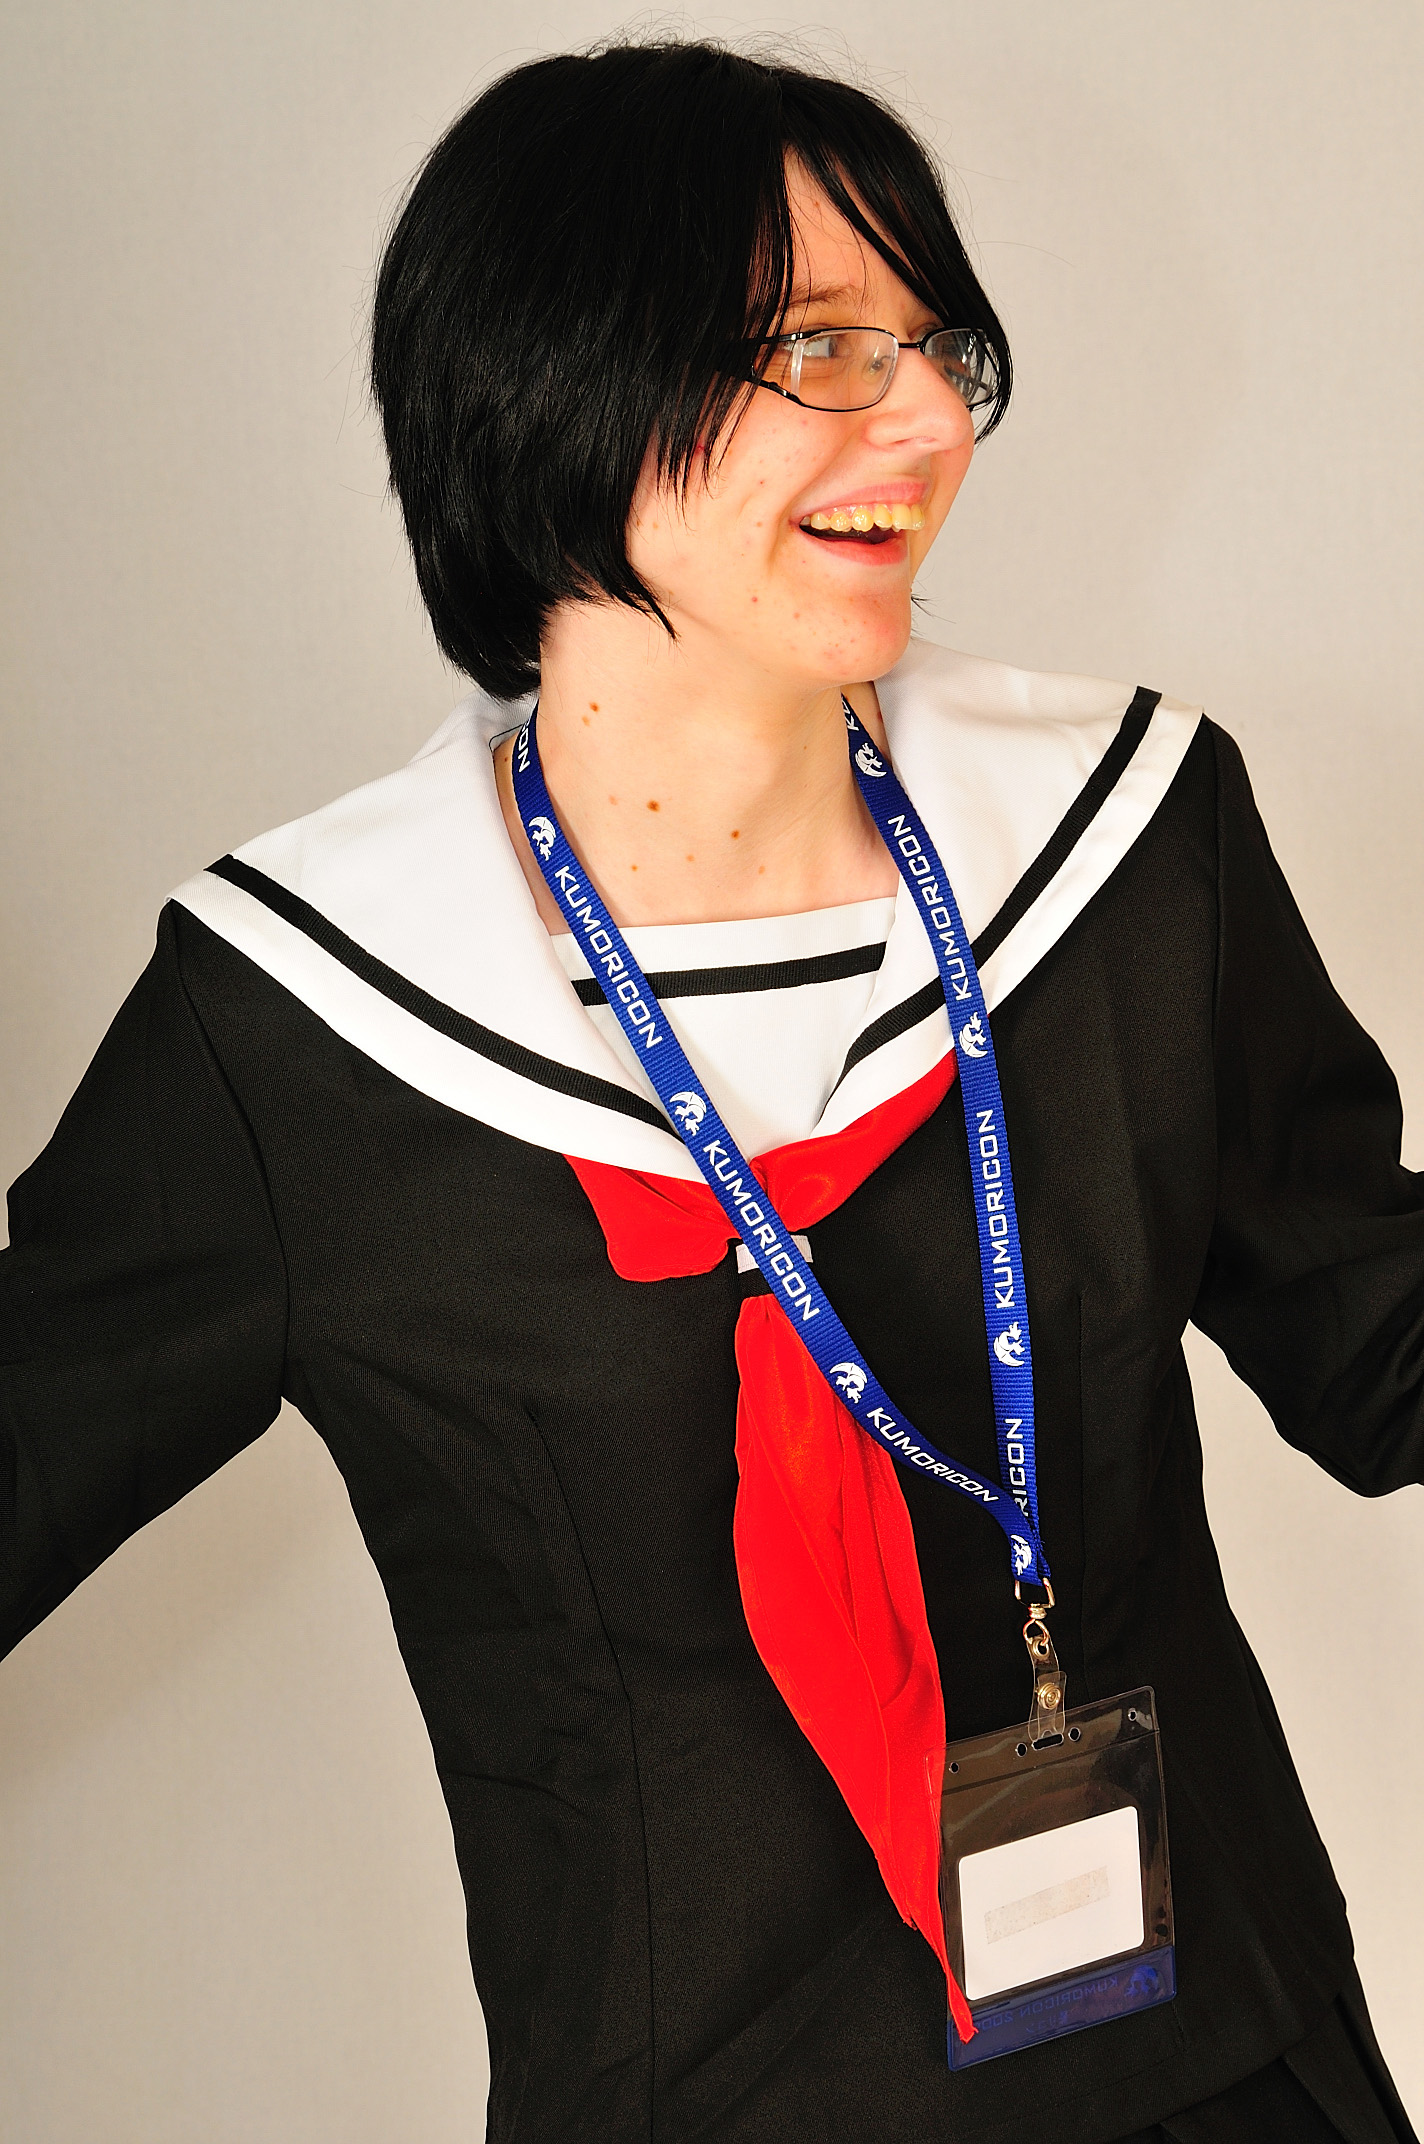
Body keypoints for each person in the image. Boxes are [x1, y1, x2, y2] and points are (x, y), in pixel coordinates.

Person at [1, 37, 1419, 2144]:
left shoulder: (1127, 846)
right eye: (822, 350)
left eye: (935, 347)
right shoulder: (300, 1023)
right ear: (560, 388)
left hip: (1227, 2071)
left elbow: (1380, 1346)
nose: (926, 421)